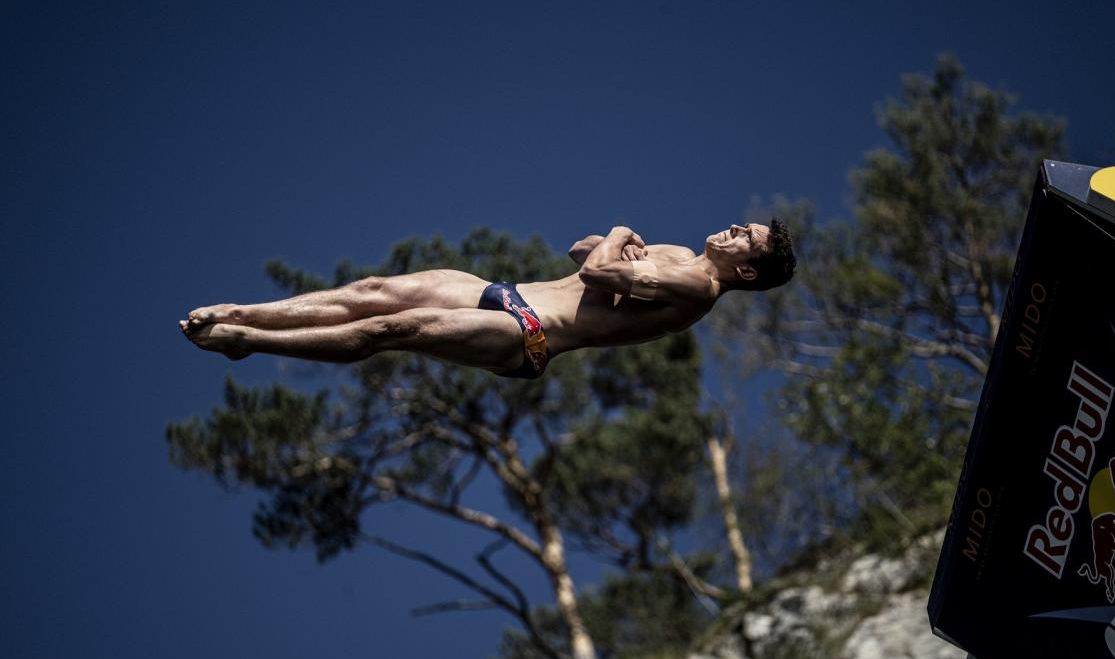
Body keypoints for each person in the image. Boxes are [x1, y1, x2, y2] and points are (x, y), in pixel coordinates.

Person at [180, 220, 796, 378]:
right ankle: (243, 313)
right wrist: (606, 244)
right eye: (744, 225)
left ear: (745, 272)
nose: (735, 230)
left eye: (747, 239)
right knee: (374, 293)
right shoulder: (672, 253)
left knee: (396, 329)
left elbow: (605, 275)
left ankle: (251, 343)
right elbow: (581, 256)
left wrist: (616, 233)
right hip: (504, 292)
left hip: (530, 334)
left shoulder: (698, 286)